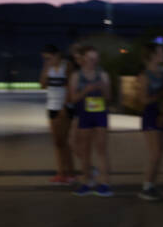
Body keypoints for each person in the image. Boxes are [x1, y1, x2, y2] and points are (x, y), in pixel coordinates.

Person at [68, 45, 113, 197]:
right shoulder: (76, 76)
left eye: (95, 58)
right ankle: (86, 182)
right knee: (85, 150)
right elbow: (73, 98)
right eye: (90, 58)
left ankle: (105, 183)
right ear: (83, 59)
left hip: (100, 115)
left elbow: (108, 98)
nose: (93, 61)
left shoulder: (103, 75)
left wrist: (102, 88)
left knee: (101, 149)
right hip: (84, 114)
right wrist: (85, 91)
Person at [137, 41, 163, 200]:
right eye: (160, 52)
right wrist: (160, 95)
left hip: (162, 114)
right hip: (150, 114)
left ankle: (151, 186)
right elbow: (143, 99)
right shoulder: (144, 76)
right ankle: (146, 187)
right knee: (155, 153)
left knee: (160, 153)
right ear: (152, 56)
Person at [39, 44, 75, 184]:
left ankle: (70, 173)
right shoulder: (48, 67)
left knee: (64, 141)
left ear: (57, 55)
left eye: (49, 57)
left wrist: (64, 107)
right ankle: (61, 173)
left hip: (64, 107)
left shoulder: (67, 66)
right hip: (51, 106)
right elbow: (42, 85)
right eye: (45, 59)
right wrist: (46, 69)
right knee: (57, 142)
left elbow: (70, 87)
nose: (47, 60)